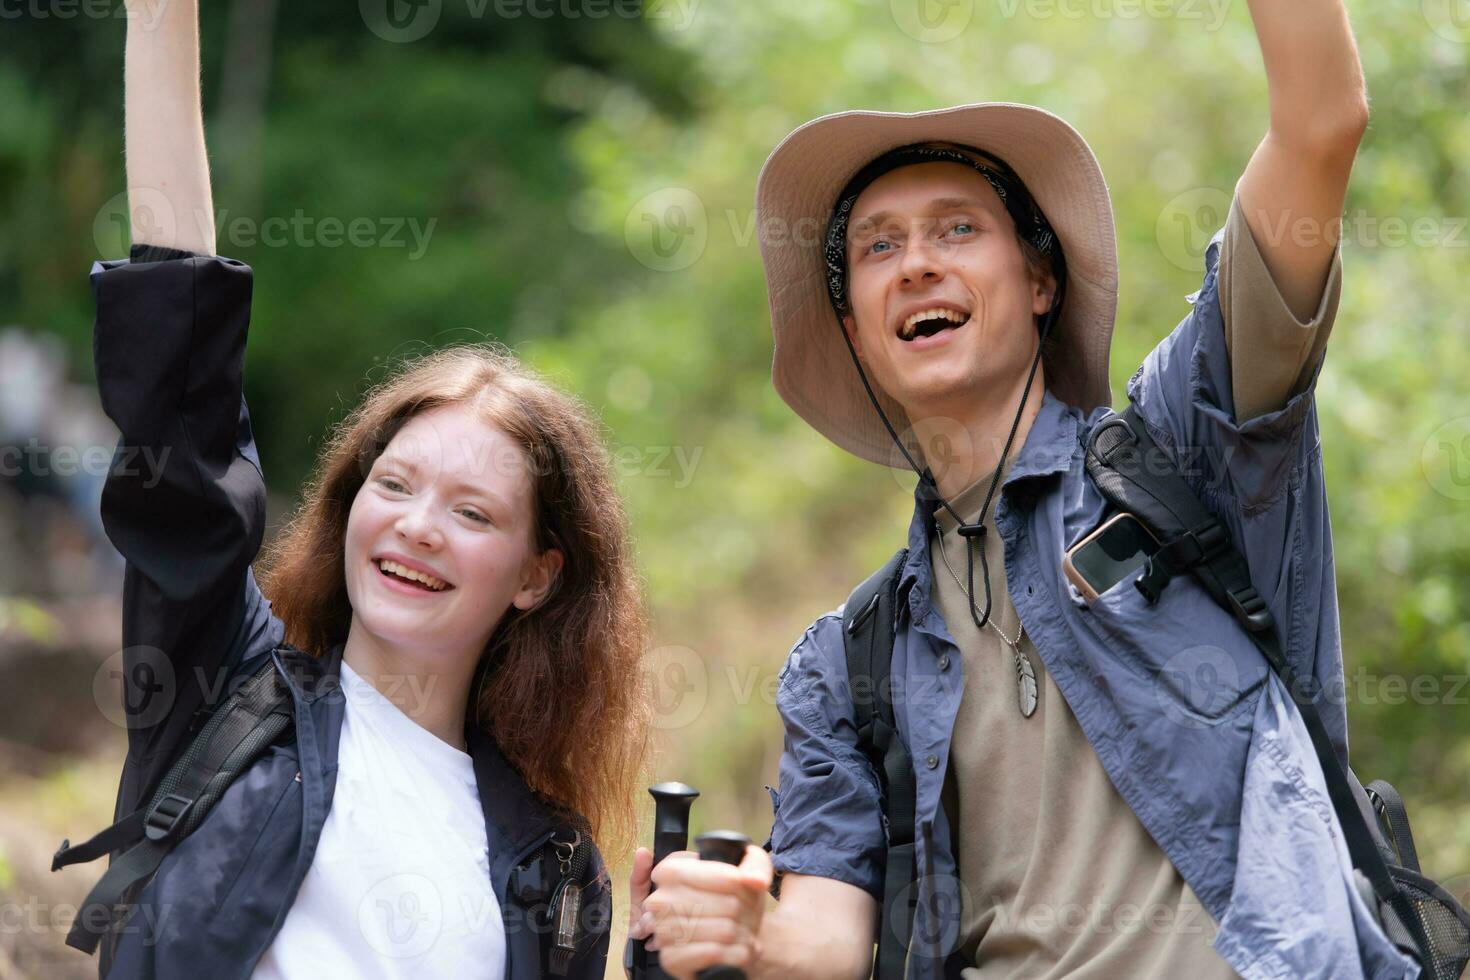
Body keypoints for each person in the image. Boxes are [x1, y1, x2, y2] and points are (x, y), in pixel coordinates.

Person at [627, 3, 1422, 978]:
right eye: (877, 247)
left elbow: (1322, 121)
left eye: (956, 229)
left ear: (1041, 279)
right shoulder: (845, 666)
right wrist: (745, 923)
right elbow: (828, 941)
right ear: (857, 331)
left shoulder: (1188, 446)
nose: (916, 262)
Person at [78, 1, 650, 976]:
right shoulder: (226, 694)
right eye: (395, 485)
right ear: (350, 506)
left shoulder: (554, 870)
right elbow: (179, 378)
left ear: (537, 574)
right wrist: (162, 21)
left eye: (473, 511)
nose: (418, 526)